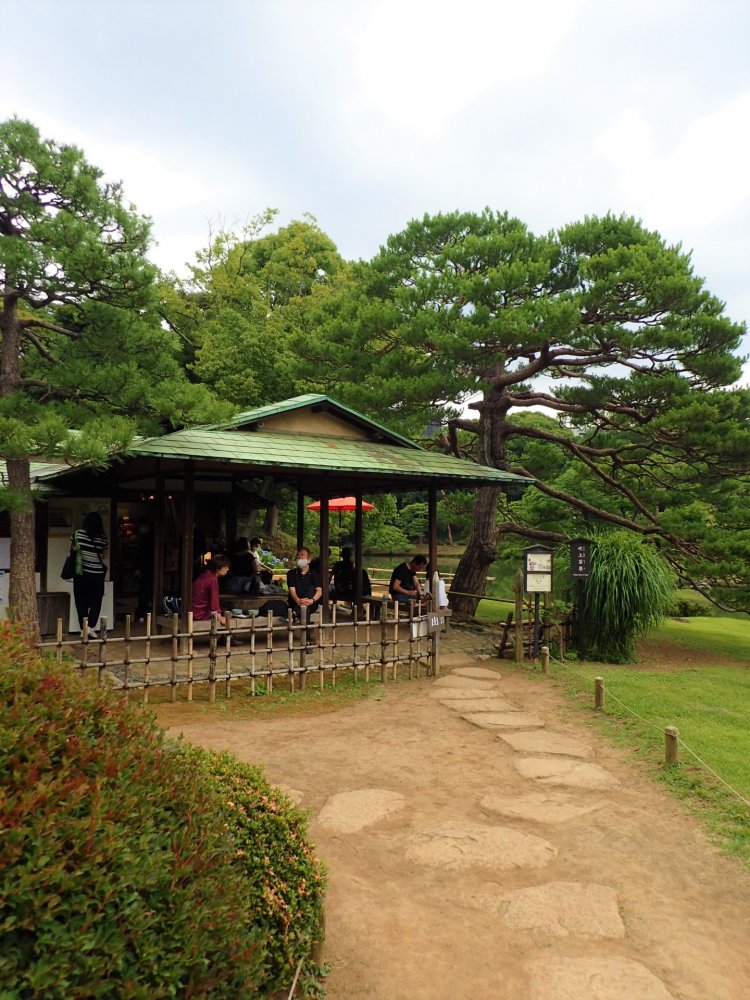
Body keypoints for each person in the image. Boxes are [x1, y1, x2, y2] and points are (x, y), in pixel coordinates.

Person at [73, 511, 109, 635]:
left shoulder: (77, 534)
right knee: (96, 601)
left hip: (81, 574)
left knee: (80, 601)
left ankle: (83, 628)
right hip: (97, 575)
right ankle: (91, 628)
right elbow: (104, 556)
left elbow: (73, 550)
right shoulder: (103, 538)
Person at [287, 547, 322, 649]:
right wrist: (298, 600)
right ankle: (307, 642)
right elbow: (292, 590)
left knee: (306, 605)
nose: (299, 557)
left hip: (311, 603)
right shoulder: (292, 573)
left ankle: (295, 613)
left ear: (309, 559)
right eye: (298, 555)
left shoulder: (314, 574)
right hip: (296, 602)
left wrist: (312, 600)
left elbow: (319, 590)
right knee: (304, 609)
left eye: (302, 555)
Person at [192, 556, 230, 626]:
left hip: (194, 611)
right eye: (225, 567)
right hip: (201, 614)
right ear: (218, 568)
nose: (227, 569)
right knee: (228, 609)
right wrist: (219, 617)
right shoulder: (212, 579)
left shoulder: (204, 575)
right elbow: (214, 602)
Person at [133, 517, 154, 623]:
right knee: (148, 593)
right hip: (149, 569)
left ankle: (142, 614)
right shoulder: (150, 538)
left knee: (144, 593)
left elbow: (141, 555)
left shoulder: (147, 539)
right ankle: (147, 614)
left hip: (147, 570)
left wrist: (137, 567)